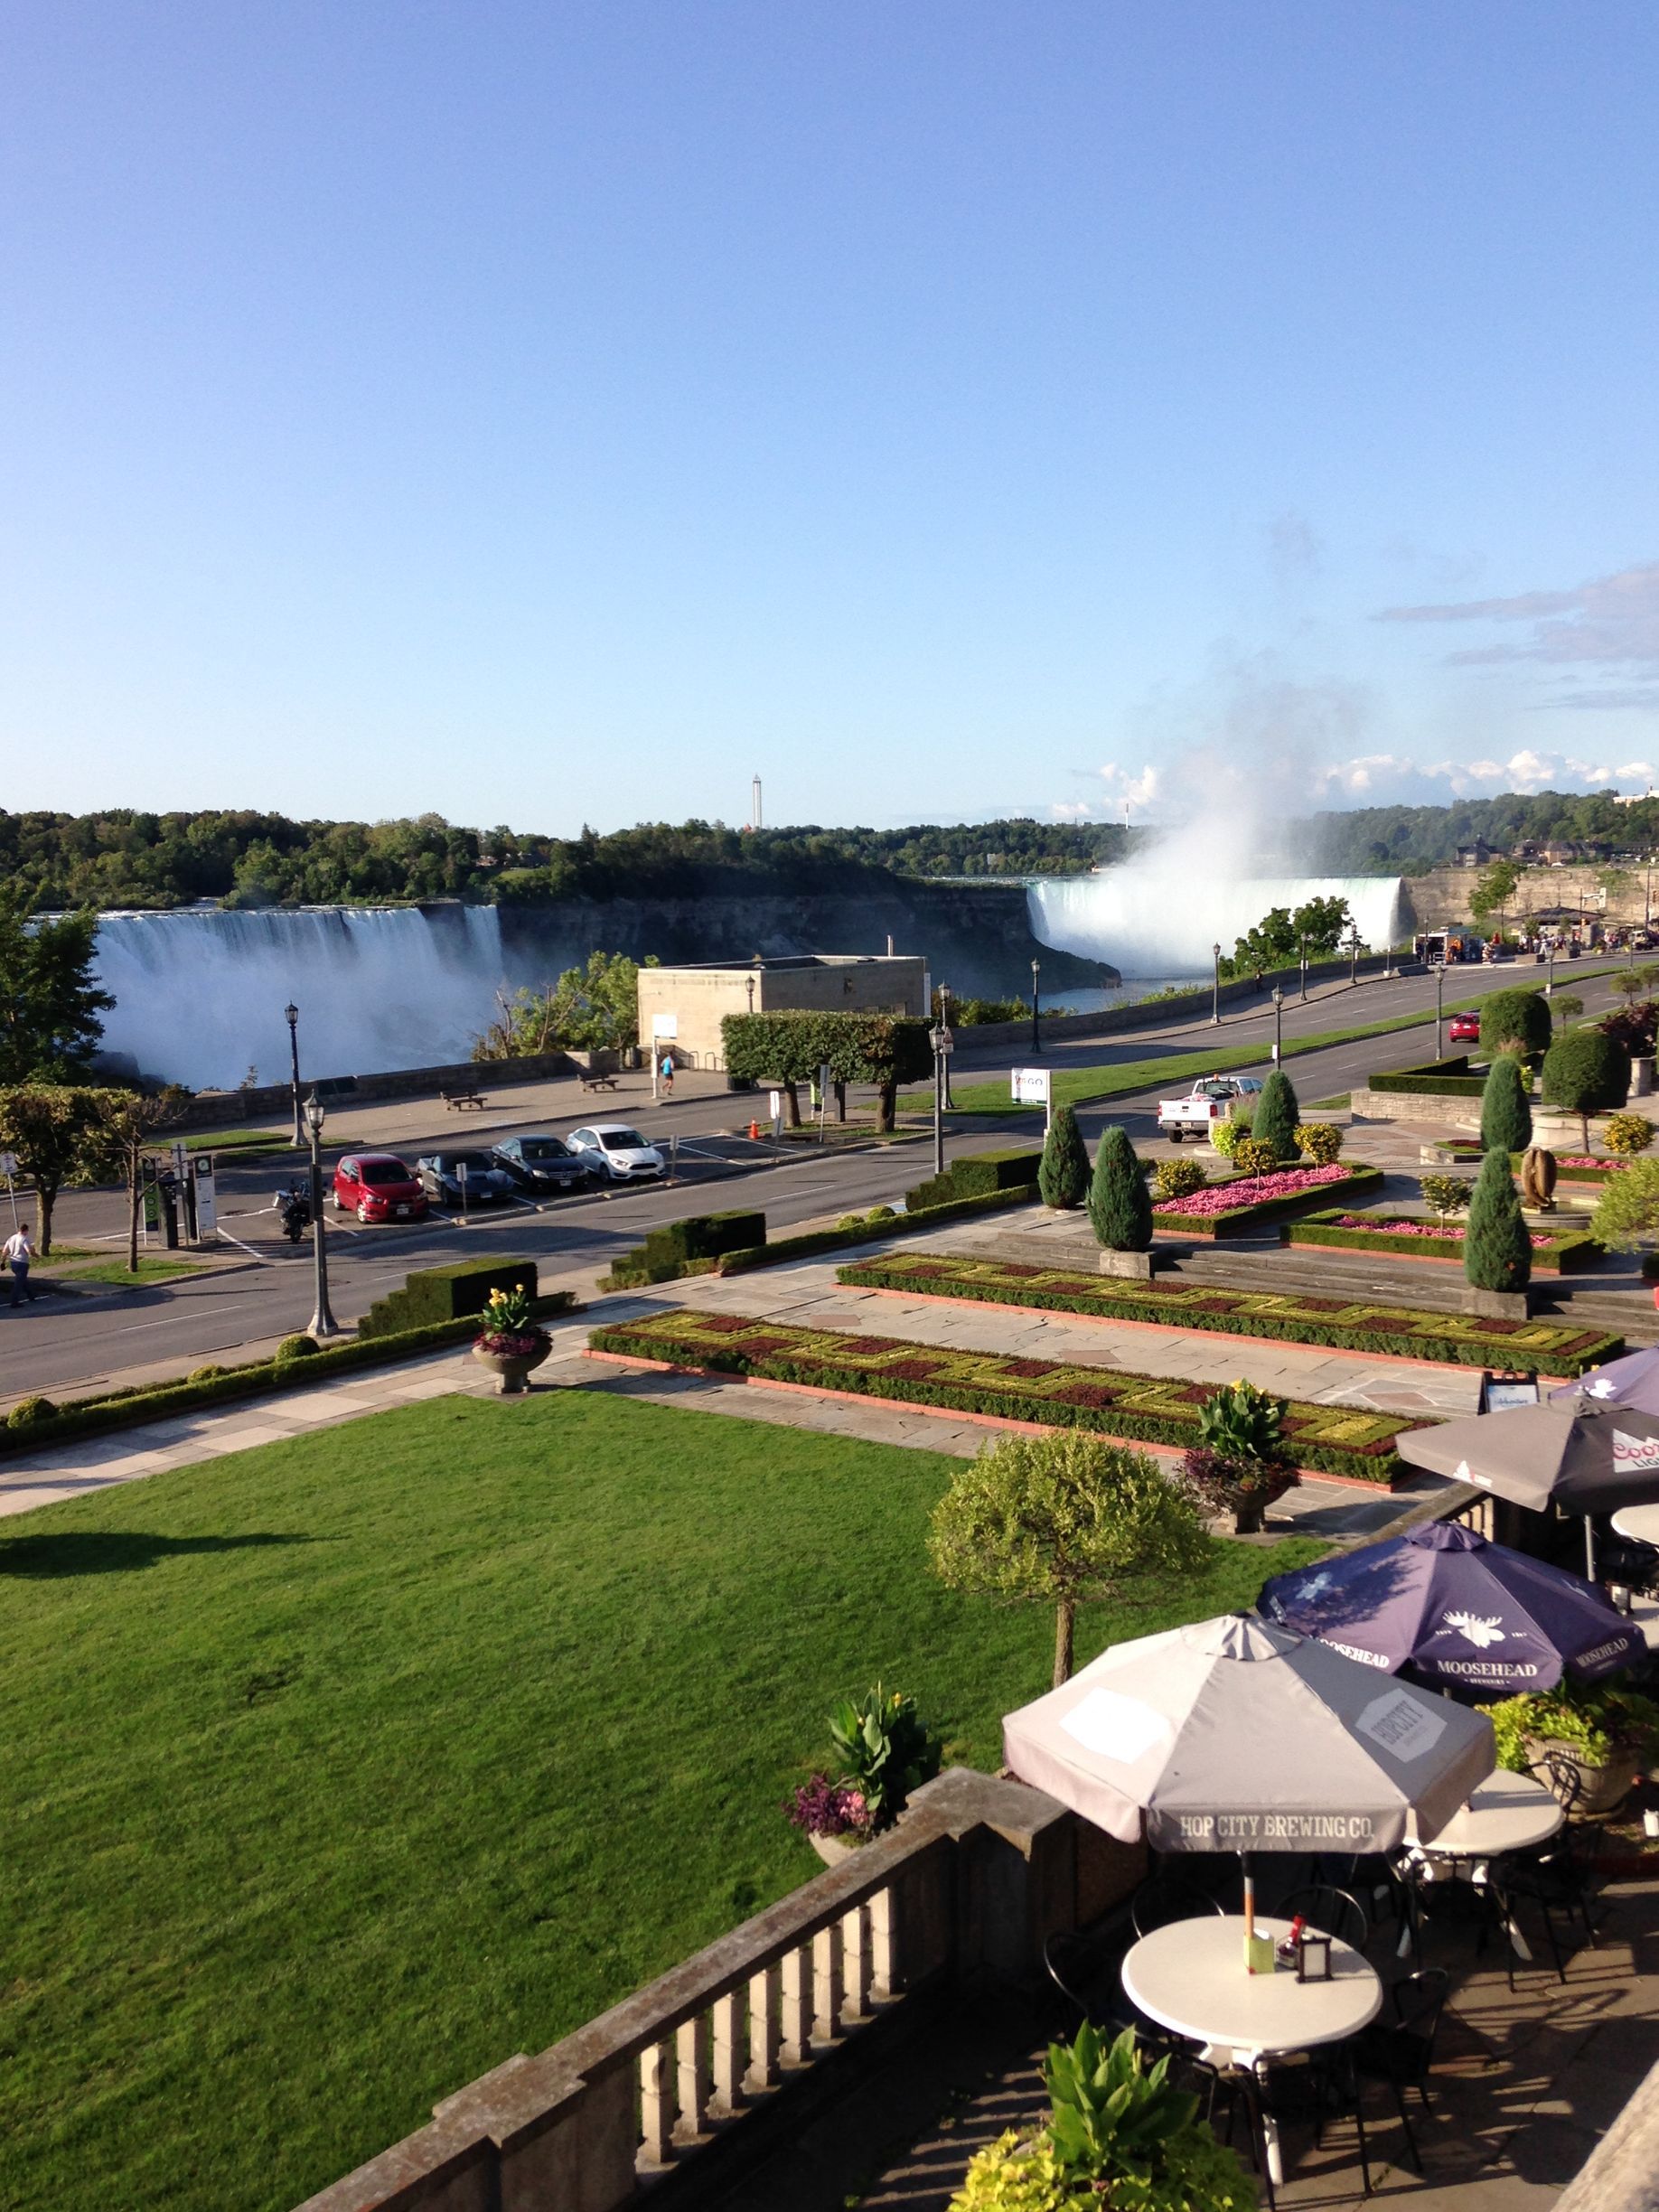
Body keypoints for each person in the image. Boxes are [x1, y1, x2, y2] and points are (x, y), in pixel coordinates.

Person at [5, 1220, 36, 1306]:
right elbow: (28, 1250)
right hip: (22, 1263)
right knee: (18, 1283)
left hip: (13, 1263)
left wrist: (2, 1262)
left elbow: (5, 1251)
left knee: (23, 1280)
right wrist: (35, 1255)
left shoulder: (11, 1238)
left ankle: (31, 1296)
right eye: (27, 1231)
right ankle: (14, 1302)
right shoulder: (23, 1239)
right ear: (25, 1230)